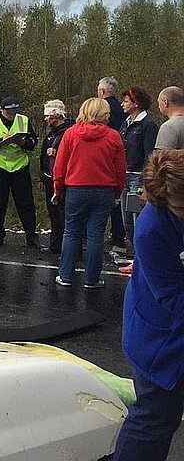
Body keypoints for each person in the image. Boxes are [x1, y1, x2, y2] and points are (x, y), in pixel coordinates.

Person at [112, 150, 184, 460]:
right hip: (161, 336)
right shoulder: (152, 228)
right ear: (164, 201)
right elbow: (172, 297)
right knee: (154, 418)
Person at [52, 98, 125, 289]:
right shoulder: (113, 136)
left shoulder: (71, 134)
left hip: (76, 188)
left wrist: (57, 188)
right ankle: (92, 278)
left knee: (71, 232)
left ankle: (66, 275)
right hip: (104, 190)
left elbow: (60, 165)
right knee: (95, 234)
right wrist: (117, 191)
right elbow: (120, 168)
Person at [0, 97, 40, 249]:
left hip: (20, 166)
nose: (12, 115)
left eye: (14, 112)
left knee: (26, 203)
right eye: (9, 112)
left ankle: (31, 236)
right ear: (1, 109)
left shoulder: (24, 120)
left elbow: (33, 142)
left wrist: (23, 142)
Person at [120, 86, 159, 250]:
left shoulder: (148, 125)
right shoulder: (126, 123)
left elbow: (149, 155)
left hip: (137, 177)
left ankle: (140, 254)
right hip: (124, 175)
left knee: (137, 217)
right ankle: (134, 250)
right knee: (126, 218)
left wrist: (145, 182)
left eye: (126, 101)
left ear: (136, 103)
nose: (122, 104)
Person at [39, 100, 74, 254]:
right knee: (53, 213)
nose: (45, 119)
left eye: (48, 116)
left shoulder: (69, 131)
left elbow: (74, 154)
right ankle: (55, 244)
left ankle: (68, 247)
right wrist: (42, 175)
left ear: (57, 115)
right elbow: (42, 155)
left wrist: (57, 152)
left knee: (64, 214)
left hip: (65, 179)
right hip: (49, 176)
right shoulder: (50, 132)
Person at [99, 76, 127, 247]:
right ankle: (118, 234)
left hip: (104, 156)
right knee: (117, 197)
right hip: (119, 153)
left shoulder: (102, 108)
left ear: (102, 92)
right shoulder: (122, 108)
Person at [156, 86, 184, 150]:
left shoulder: (169, 127)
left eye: (159, 102)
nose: (158, 106)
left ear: (166, 102)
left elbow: (162, 157)